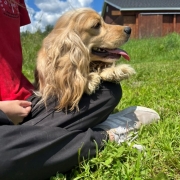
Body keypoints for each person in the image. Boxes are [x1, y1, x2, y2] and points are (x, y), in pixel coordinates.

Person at [0, 0, 160, 180]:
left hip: (27, 105)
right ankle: (105, 136)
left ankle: (48, 139)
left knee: (108, 91)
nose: (122, 28)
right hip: (6, 127)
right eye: (97, 26)